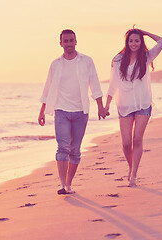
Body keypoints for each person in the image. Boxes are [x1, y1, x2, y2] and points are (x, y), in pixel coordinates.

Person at [38, 29, 107, 195]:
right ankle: (62, 185)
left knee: (75, 150)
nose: (68, 44)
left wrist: (100, 106)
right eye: (65, 41)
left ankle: (69, 185)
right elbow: (47, 88)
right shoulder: (55, 64)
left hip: (81, 111)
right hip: (61, 110)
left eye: (71, 40)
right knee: (63, 148)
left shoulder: (86, 61)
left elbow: (95, 85)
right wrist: (42, 111)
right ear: (60, 43)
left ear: (76, 42)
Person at [105, 28, 162, 187]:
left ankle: (133, 175)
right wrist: (107, 104)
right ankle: (131, 167)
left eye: (137, 40)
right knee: (126, 143)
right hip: (124, 105)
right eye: (131, 40)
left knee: (137, 138)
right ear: (127, 42)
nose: (134, 43)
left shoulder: (146, 57)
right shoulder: (118, 60)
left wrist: (144, 32)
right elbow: (113, 84)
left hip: (143, 104)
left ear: (141, 42)